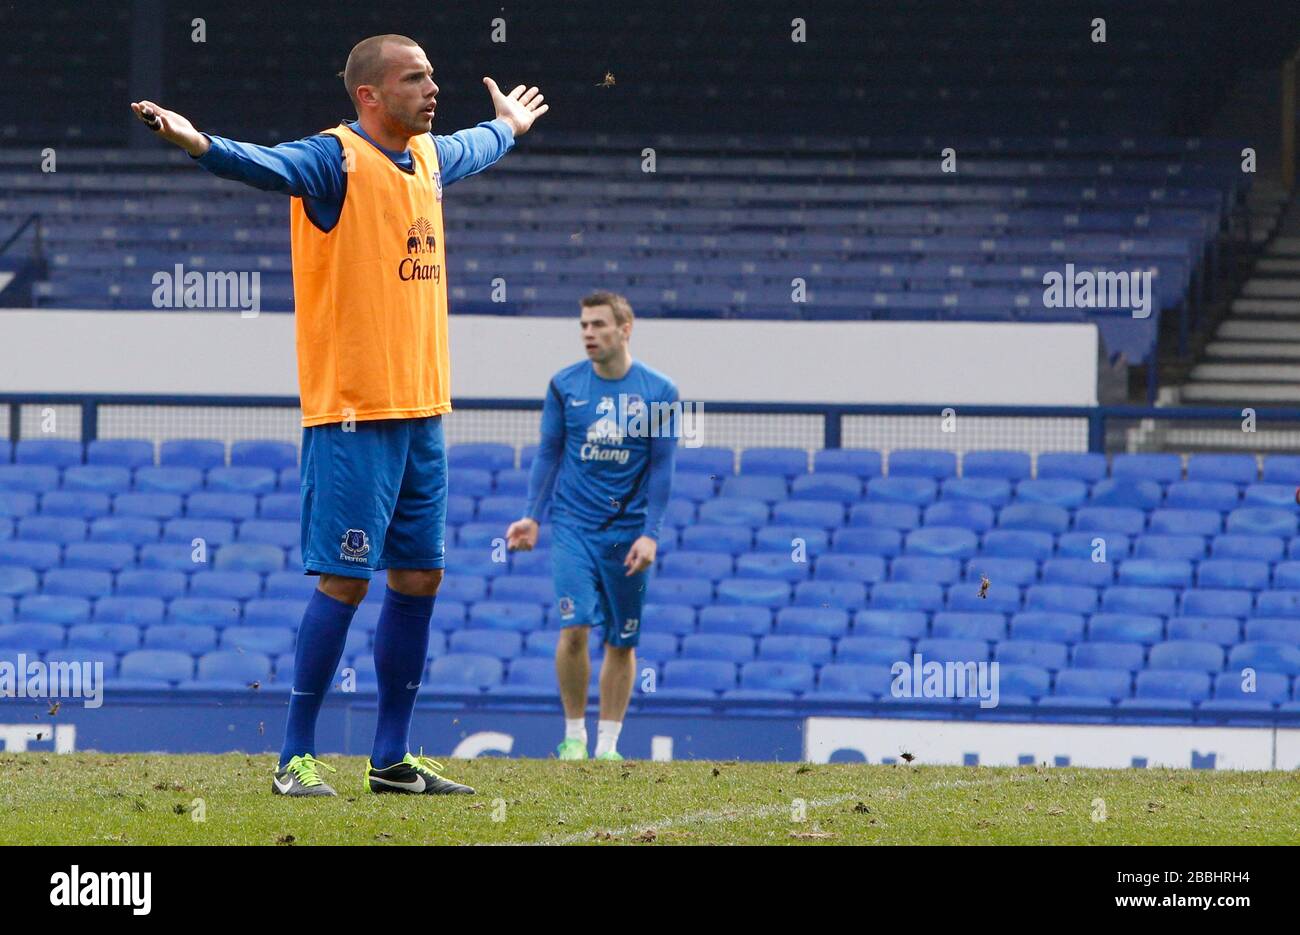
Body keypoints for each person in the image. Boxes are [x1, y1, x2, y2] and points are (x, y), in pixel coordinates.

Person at [131, 33, 548, 796]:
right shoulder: (334, 159)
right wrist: (195, 141)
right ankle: (293, 756)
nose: (432, 90)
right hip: (354, 412)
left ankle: (390, 758)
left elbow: (471, 146)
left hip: (423, 406)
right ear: (369, 95)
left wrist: (509, 128)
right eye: (416, 79)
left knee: (420, 575)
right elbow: (262, 163)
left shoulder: (425, 157)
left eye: (432, 77)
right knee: (346, 581)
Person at [505, 292, 677, 761]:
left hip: (628, 535)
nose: (588, 333)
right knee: (575, 626)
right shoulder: (564, 386)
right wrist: (531, 516)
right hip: (574, 526)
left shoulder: (660, 393)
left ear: (625, 328)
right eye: (583, 325)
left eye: (598, 324)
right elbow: (548, 453)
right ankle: (574, 738)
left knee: (621, 639)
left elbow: (663, 468)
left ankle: (608, 746)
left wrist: (651, 534)